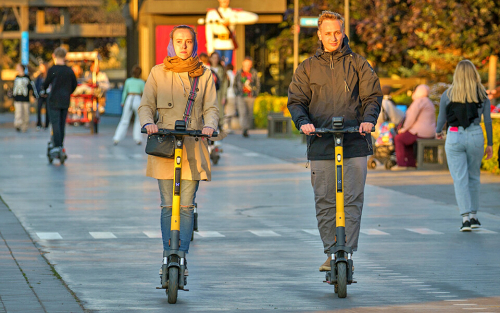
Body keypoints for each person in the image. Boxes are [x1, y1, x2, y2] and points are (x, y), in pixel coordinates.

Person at [287, 11, 382, 272]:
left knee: (352, 199)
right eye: (327, 33)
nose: (333, 37)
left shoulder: (358, 63)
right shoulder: (307, 67)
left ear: (343, 32)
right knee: (325, 200)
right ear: (319, 35)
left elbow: (372, 96)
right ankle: (332, 251)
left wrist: (368, 120)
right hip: (321, 140)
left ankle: (346, 251)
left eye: (337, 32)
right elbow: (296, 101)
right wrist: (303, 122)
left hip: (354, 139)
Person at [138, 25, 219, 275]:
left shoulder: (204, 74)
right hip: (164, 145)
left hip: (193, 144)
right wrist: (148, 123)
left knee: (185, 206)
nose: (184, 46)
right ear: (171, 43)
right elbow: (146, 105)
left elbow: (212, 108)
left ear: (195, 44)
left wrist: (209, 126)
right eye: (179, 41)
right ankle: (168, 254)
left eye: (188, 42)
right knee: (166, 205)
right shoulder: (157, 72)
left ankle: (180, 255)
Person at [435, 60, 493, 232]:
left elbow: (441, 118)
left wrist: (438, 131)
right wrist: (490, 144)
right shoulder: (482, 95)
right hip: (475, 135)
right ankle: (475, 216)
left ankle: (465, 218)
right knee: (474, 176)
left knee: (460, 178)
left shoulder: (449, 93)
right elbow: (488, 121)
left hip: (454, 135)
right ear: (474, 74)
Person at [41, 47, 78, 154]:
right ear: (65, 57)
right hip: (65, 100)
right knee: (62, 123)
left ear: (54, 56)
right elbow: (74, 85)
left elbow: (46, 82)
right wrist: (68, 92)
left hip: (54, 99)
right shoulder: (69, 70)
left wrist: (43, 90)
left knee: (55, 123)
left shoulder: (53, 70)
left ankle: (56, 145)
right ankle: (61, 144)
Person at [393, 84, 436, 170]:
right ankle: (410, 164)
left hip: (420, 132)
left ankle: (401, 164)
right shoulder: (429, 102)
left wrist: (404, 129)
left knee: (399, 138)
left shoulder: (419, 101)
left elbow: (411, 118)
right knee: (407, 139)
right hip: (430, 132)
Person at [205, 0, 258, 65]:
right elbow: (209, 32)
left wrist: (231, 21)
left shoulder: (233, 13)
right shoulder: (212, 14)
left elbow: (254, 17)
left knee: (228, 66)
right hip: (216, 44)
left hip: (228, 44)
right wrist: (210, 49)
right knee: (217, 66)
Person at [112, 65, 145, 145]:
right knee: (138, 120)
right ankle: (138, 138)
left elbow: (125, 92)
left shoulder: (128, 81)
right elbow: (144, 93)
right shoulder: (141, 82)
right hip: (137, 99)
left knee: (124, 119)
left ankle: (117, 138)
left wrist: (123, 102)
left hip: (129, 98)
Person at [234, 56, 260, 137]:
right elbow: (235, 84)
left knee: (249, 113)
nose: (248, 65)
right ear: (243, 63)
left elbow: (258, 84)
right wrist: (237, 93)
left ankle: (247, 128)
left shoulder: (254, 72)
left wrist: (256, 93)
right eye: (246, 63)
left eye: (249, 64)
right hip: (241, 95)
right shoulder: (239, 72)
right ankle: (244, 128)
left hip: (250, 96)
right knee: (242, 112)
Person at [12, 64, 38, 132]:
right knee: (18, 112)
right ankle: (18, 124)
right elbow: (14, 87)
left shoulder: (27, 77)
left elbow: (31, 87)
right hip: (17, 98)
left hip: (25, 98)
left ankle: (24, 126)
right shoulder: (16, 77)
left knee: (25, 113)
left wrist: (34, 95)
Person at [210, 52, 228, 128]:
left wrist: (224, 96)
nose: (215, 60)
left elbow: (225, 84)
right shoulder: (207, 69)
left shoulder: (222, 70)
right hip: (210, 94)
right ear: (210, 59)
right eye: (213, 58)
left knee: (220, 110)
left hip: (219, 93)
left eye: (217, 58)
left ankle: (220, 126)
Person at [34, 62, 49, 131]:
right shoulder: (39, 76)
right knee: (39, 109)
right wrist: (37, 93)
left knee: (47, 110)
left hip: (47, 95)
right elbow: (36, 85)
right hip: (40, 95)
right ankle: (39, 123)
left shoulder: (48, 75)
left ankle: (46, 124)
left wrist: (47, 92)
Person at [223, 63, 236, 132]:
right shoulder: (232, 74)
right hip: (232, 95)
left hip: (226, 95)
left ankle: (227, 126)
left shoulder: (226, 74)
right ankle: (227, 126)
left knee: (226, 111)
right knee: (230, 112)